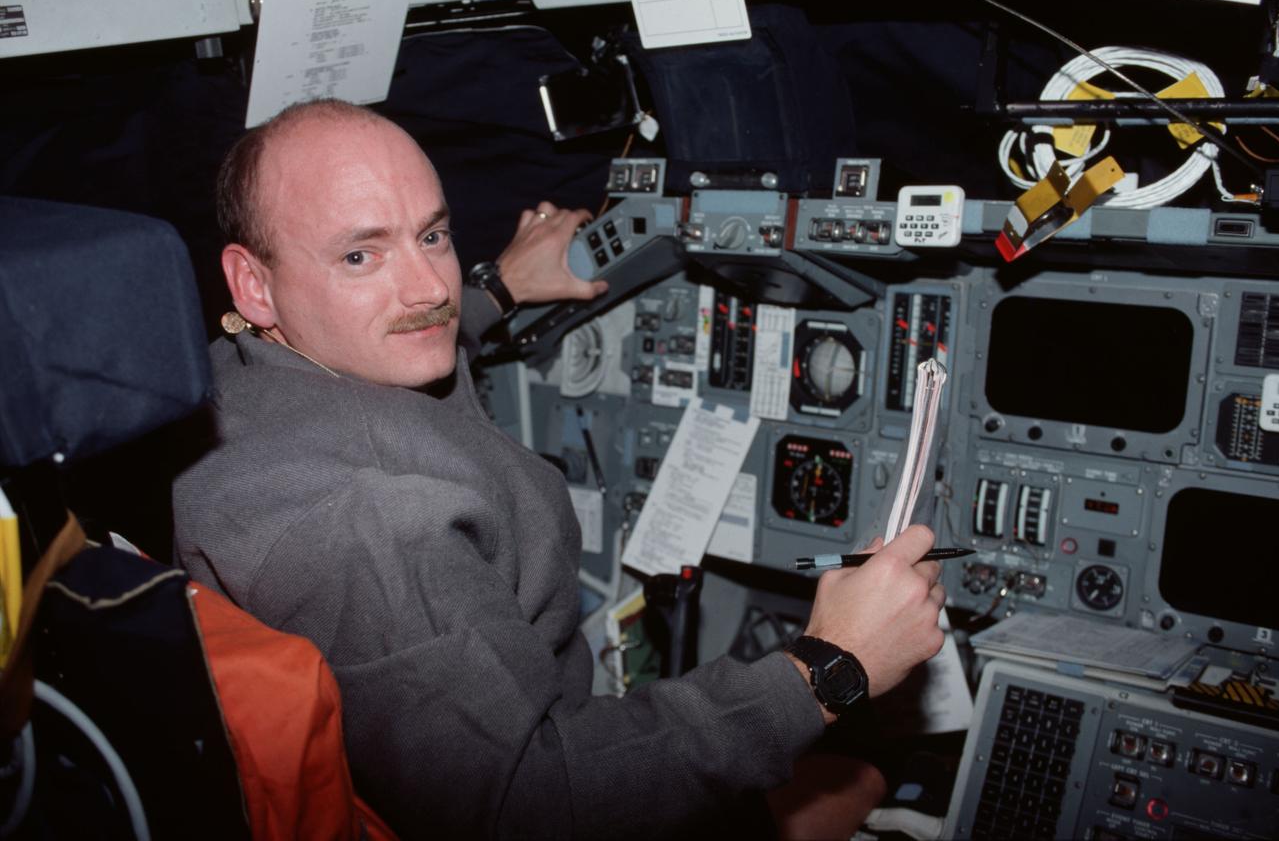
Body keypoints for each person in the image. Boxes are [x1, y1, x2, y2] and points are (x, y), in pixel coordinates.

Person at [173, 99, 946, 839]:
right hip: (554, 786)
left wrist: (498, 288)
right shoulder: (370, 530)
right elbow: (532, 806)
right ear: (252, 283)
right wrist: (826, 668)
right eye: (359, 254)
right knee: (870, 762)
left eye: (433, 235)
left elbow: (415, 330)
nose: (428, 288)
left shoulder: (234, 382)